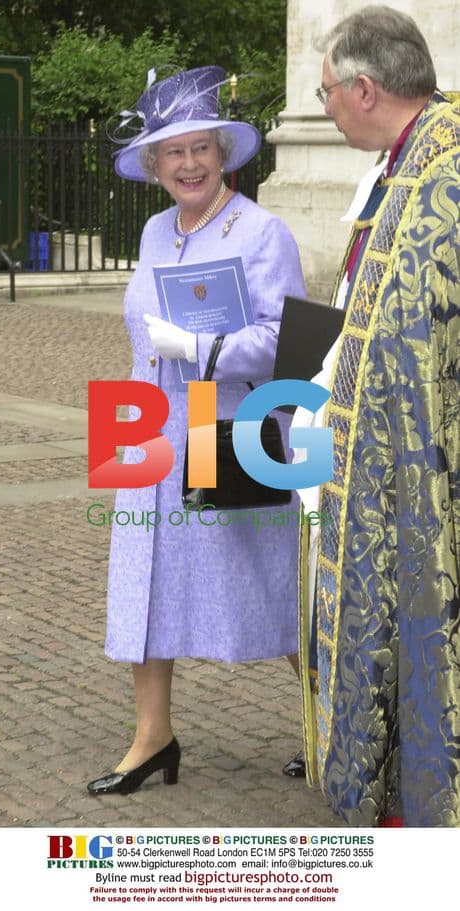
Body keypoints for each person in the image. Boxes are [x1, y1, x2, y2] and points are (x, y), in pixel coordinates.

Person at [87, 66, 307, 796]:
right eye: (172, 151)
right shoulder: (153, 229)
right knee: (141, 582)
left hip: (230, 424)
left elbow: (290, 343)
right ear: (153, 164)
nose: (188, 164)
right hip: (145, 424)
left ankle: (334, 725)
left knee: (264, 583)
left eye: (200, 148)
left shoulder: (261, 229)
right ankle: (153, 737)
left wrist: (203, 348)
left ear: (225, 155)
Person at [290, 6, 459, 827]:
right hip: (358, 458)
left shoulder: (444, 175)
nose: (323, 109)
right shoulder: (399, 165)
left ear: (363, 88)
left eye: (324, 94)